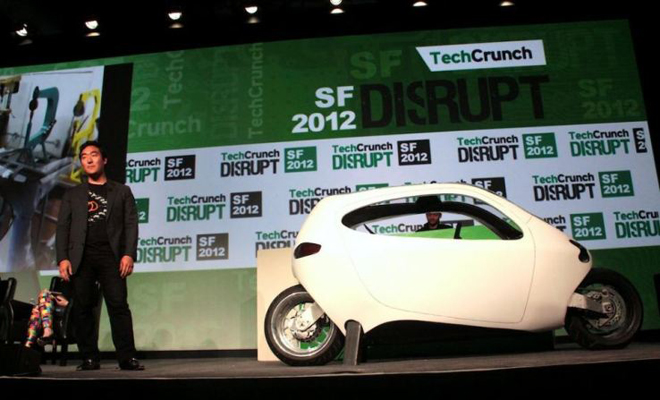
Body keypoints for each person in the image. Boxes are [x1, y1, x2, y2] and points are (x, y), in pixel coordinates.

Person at [55, 140, 144, 371]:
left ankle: (127, 357)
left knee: (118, 305)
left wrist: (128, 254)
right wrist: (63, 258)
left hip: (111, 257)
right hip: (81, 257)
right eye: (84, 156)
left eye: (93, 155)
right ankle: (89, 358)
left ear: (104, 160)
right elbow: (63, 227)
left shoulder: (122, 191)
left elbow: (131, 225)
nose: (89, 159)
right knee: (83, 307)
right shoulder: (73, 194)